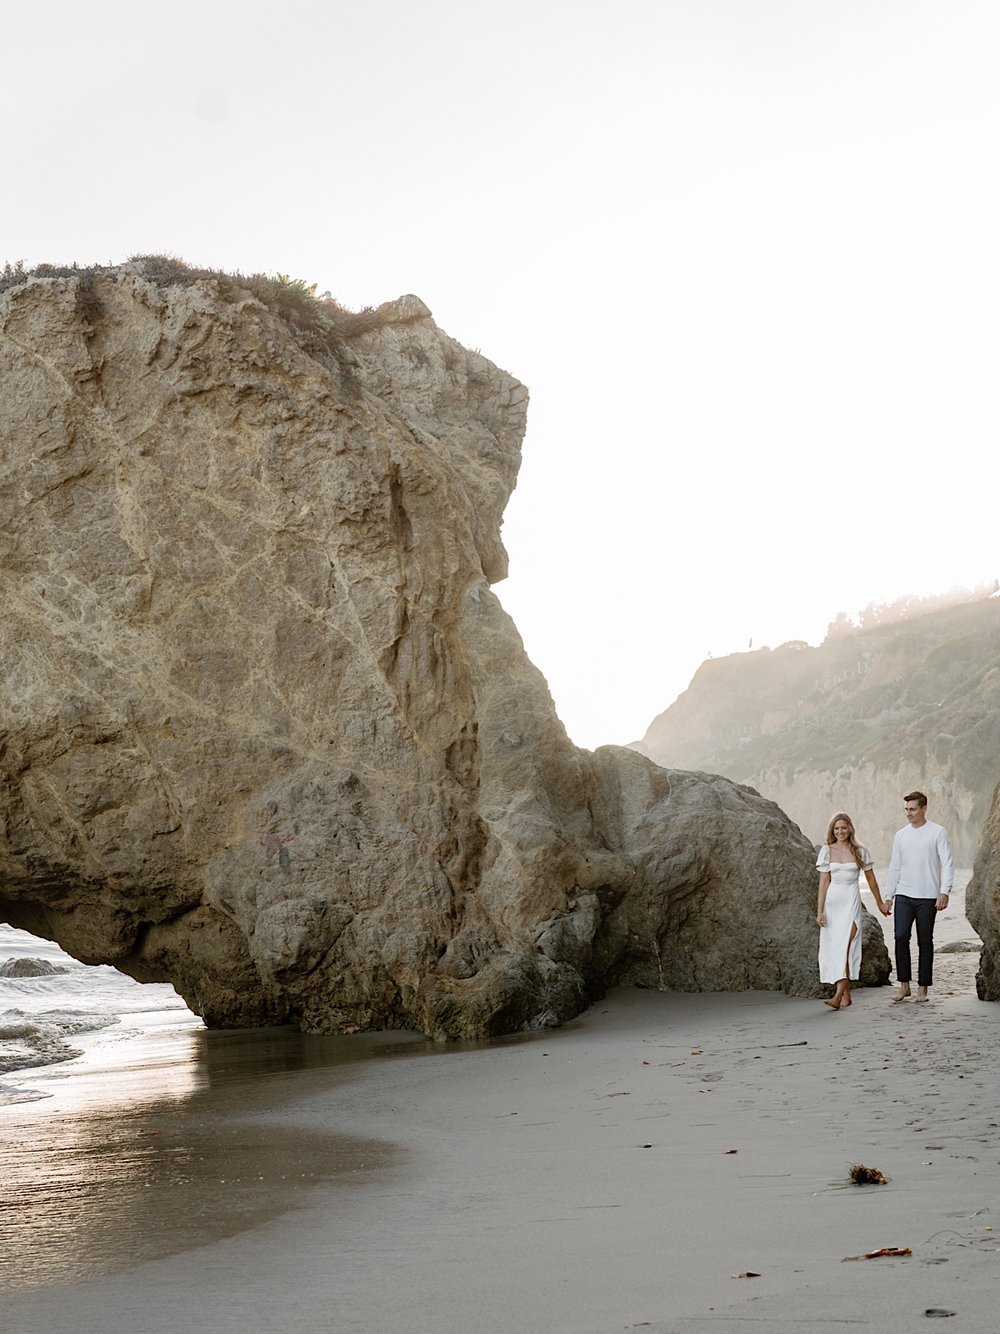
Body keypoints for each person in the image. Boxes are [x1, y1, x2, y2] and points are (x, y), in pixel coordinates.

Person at [885, 791, 954, 1002]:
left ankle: (923, 988)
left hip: (928, 896)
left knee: (925, 941)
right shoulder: (901, 835)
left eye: (913, 809)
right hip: (904, 895)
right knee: (900, 937)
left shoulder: (937, 832)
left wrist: (944, 891)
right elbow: (894, 866)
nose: (909, 813)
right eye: (906, 809)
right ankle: (904, 985)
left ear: (924, 808)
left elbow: (948, 862)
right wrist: (889, 896)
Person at [816, 812, 889, 1009]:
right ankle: (846, 995)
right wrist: (820, 911)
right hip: (832, 903)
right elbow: (823, 882)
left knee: (845, 947)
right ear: (833, 830)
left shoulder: (860, 851)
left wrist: (880, 903)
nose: (840, 831)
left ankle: (837, 996)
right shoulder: (826, 851)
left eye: (844, 827)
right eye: (837, 828)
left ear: (850, 829)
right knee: (836, 949)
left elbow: (871, 879)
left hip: (851, 901)